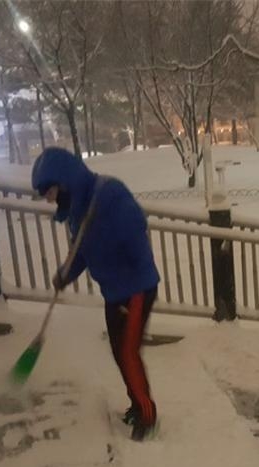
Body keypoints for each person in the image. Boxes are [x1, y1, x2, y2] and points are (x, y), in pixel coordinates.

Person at [32, 147, 160, 441]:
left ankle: (148, 415)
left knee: (128, 353)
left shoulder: (109, 195)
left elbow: (136, 227)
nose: (52, 200)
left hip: (136, 289)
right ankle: (136, 404)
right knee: (119, 351)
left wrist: (135, 269)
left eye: (52, 193)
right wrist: (66, 274)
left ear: (65, 181)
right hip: (114, 292)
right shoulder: (78, 211)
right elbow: (82, 252)